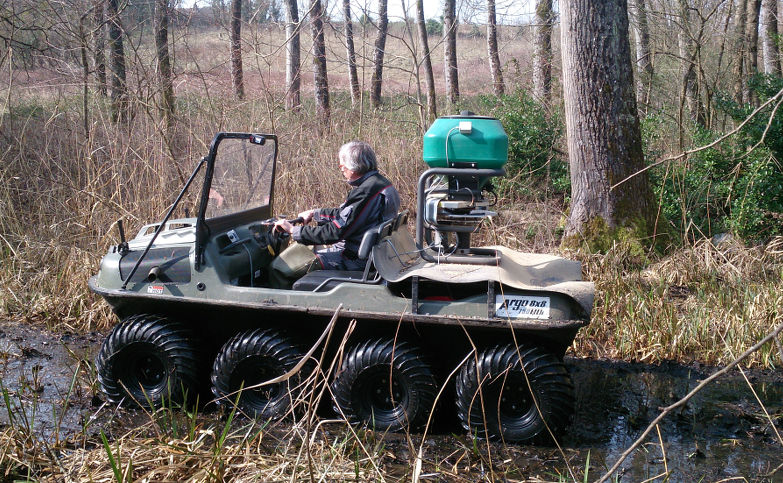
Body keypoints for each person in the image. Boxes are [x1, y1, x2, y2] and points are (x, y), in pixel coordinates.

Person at [270, 141, 400, 287]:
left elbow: (336, 232)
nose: (341, 168)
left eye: (342, 164)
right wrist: (315, 213)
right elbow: (348, 215)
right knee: (303, 250)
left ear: (354, 166)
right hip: (371, 254)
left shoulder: (366, 192)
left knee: (279, 269)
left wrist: (293, 230)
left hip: (353, 259)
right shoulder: (381, 184)